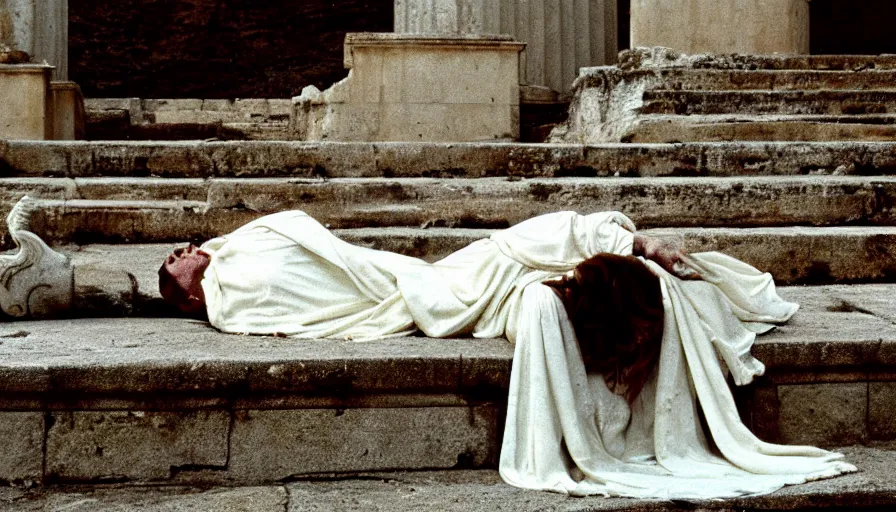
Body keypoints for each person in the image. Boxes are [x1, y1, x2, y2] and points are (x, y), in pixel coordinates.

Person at [159, 210, 855, 499]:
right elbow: (290, 295)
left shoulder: (232, 252)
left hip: (395, 273)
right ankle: (616, 239)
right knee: (507, 254)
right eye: (177, 263)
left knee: (510, 252)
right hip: (415, 289)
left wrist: (220, 250)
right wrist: (214, 273)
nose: (187, 250)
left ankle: (614, 239)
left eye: (187, 248)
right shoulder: (227, 293)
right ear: (186, 298)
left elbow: (306, 237)